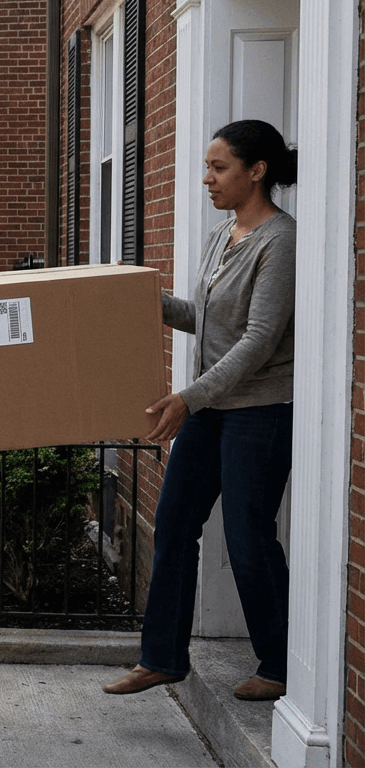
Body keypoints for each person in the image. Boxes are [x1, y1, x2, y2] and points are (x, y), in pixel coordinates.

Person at [103, 120, 297, 702]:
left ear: (256, 171)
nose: (207, 179)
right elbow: (206, 318)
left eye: (219, 168)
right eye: (207, 168)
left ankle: (282, 662)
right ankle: (161, 657)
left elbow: (260, 338)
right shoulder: (222, 236)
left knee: (247, 535)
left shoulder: (280, 241)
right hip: (211, 409)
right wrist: (146, 300)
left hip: (258, 412)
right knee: (175, 525)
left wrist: (189, 397)